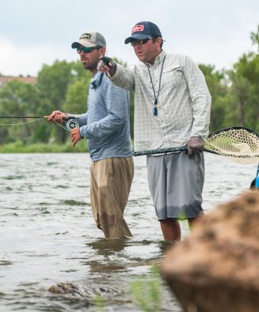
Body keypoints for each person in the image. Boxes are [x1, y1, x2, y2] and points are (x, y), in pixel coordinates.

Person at [100, 21, 211, 243]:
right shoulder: (137, 70)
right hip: (154, 150)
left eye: (142, 42)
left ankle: (207, 256)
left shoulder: (182, 62)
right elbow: (124, 78)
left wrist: (198, 133)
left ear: (158, 41)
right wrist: (112, 68)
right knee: (164, 213)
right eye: (133, 43)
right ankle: (173, 259)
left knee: (191, 208)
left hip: (185, 147)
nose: (137, 47)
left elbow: (202, 96)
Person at [47, 31, 134, 240]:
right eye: (79, 50)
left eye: (87, 49)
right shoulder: (95, 81)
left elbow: (117, 119)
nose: (81, 54)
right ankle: (110, 267)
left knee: (113, 223)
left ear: (102, 51)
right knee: (102, 219)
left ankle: (118, 267)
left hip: (113, 158)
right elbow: (94, 116)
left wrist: (82, 131)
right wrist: (68, 118)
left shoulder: (112, 78)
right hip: (99, 159)